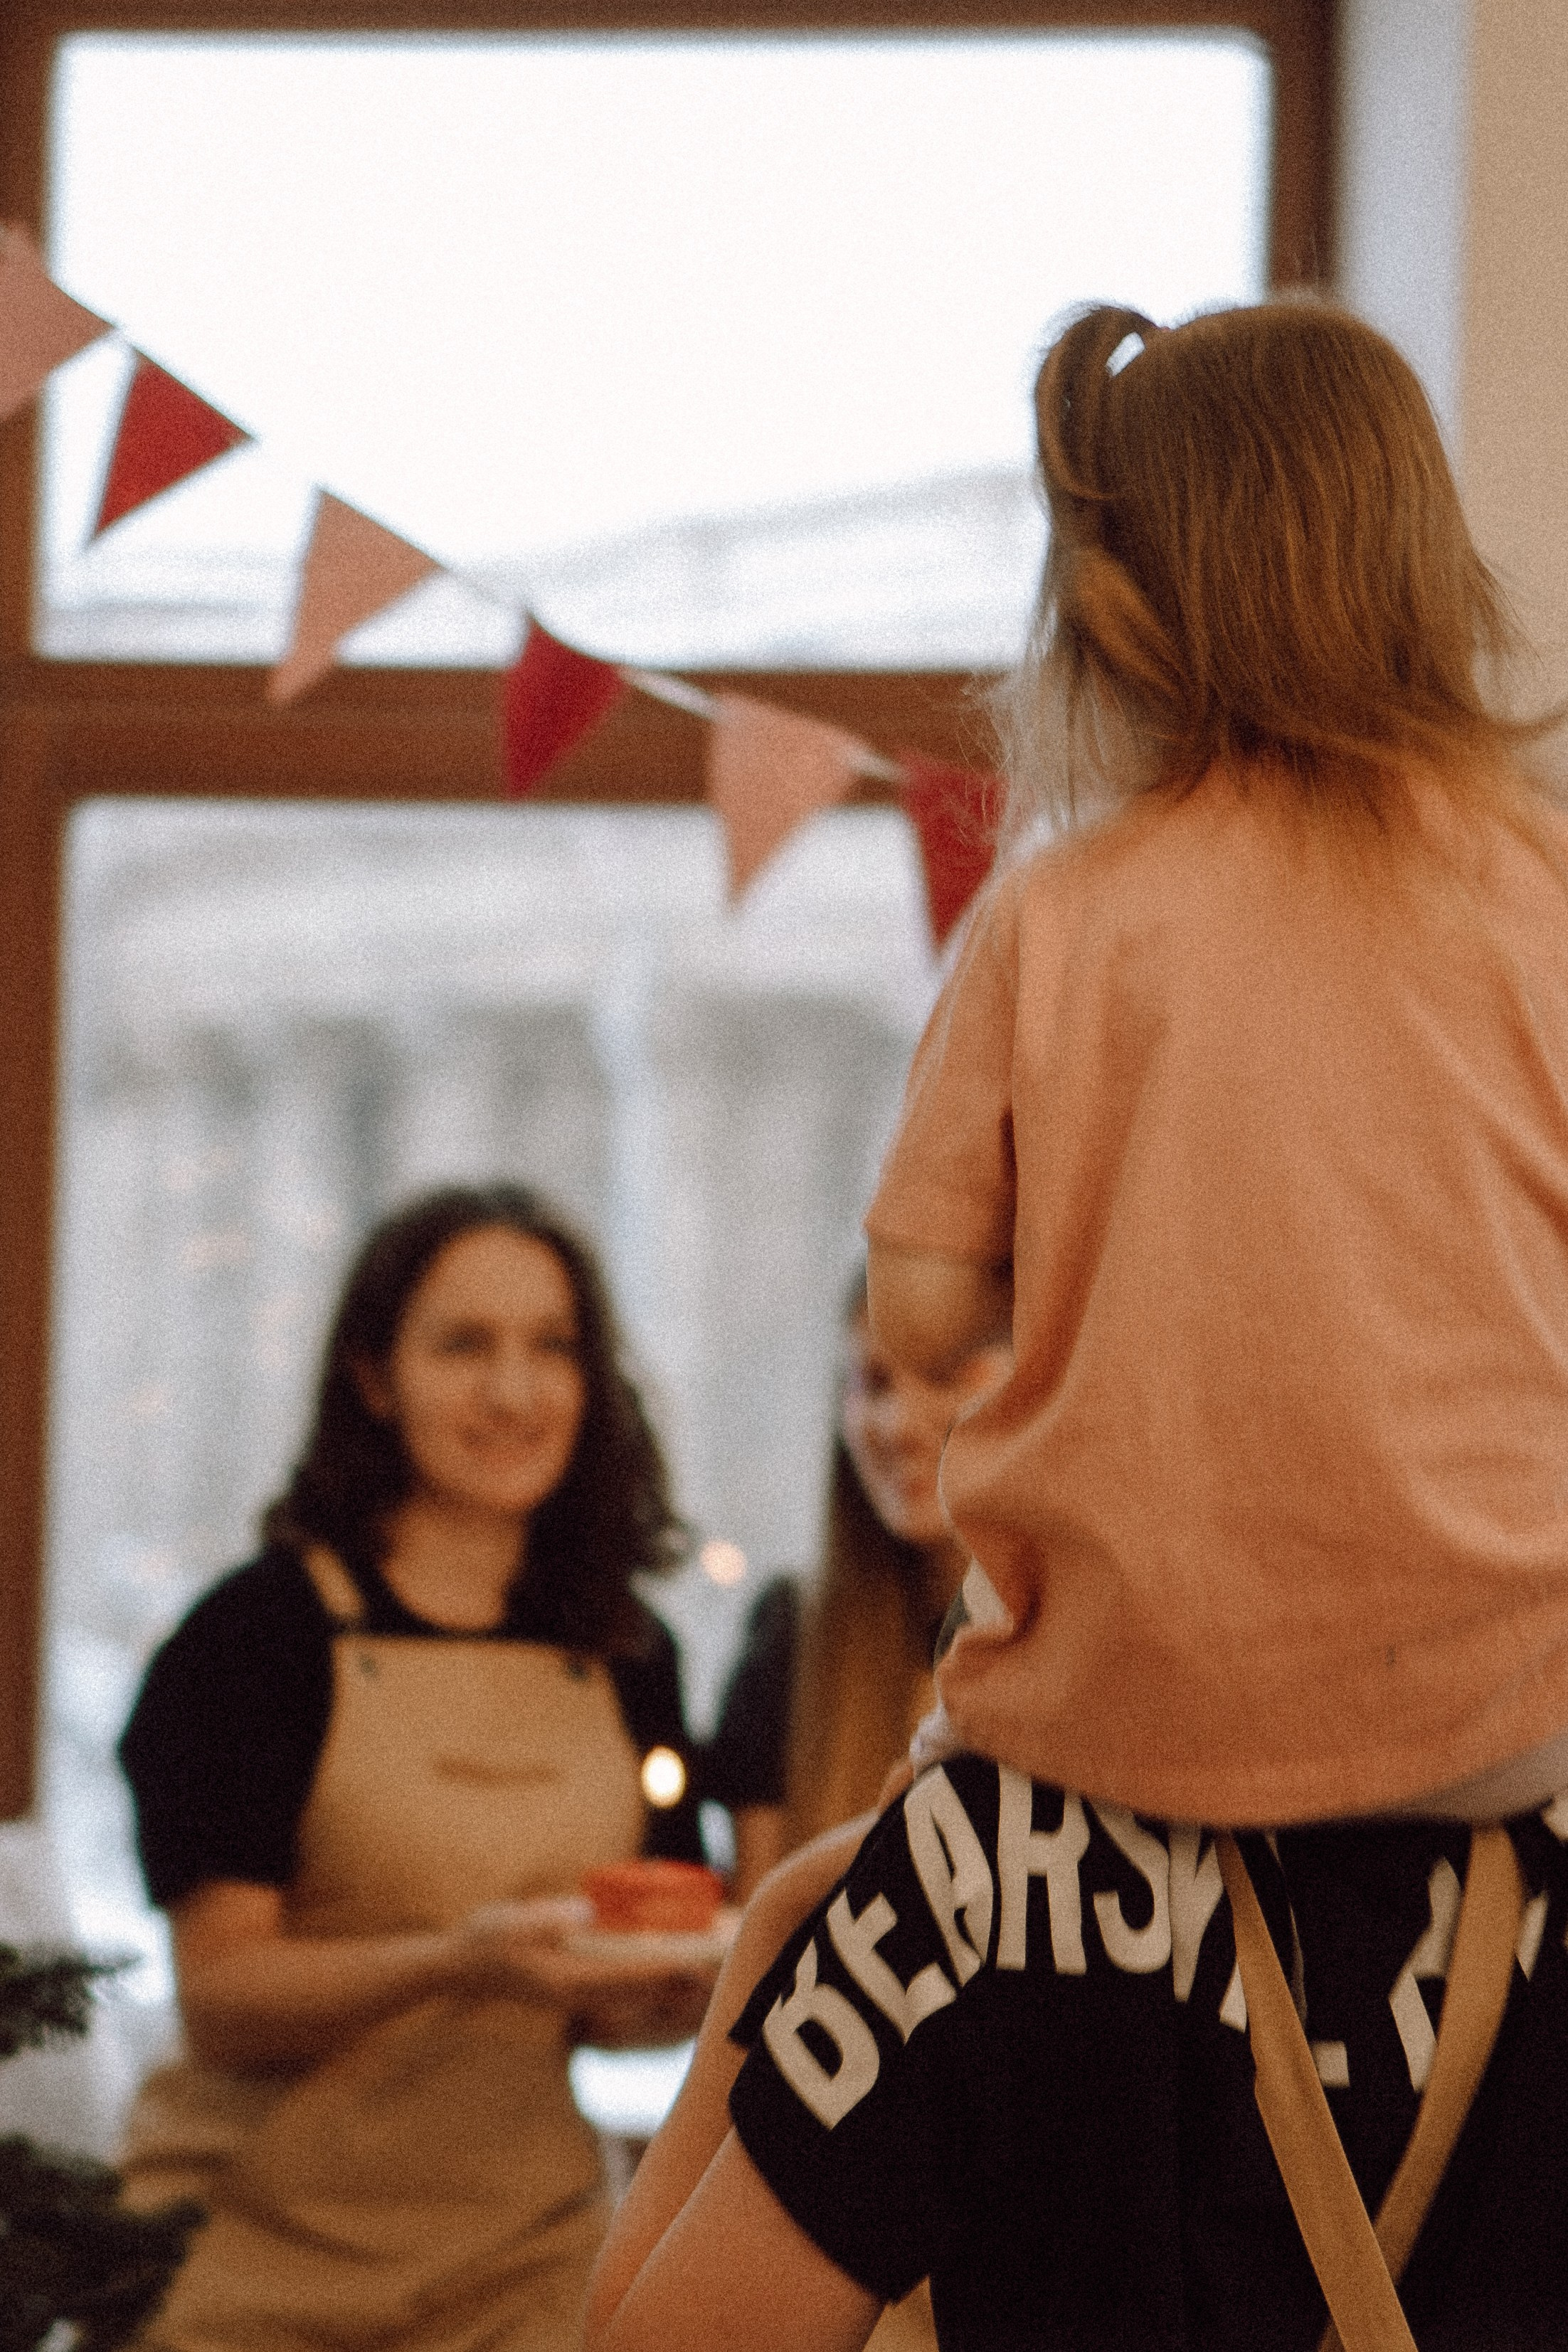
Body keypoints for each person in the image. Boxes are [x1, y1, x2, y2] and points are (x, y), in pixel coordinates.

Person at [578, 300, 1568, 2349]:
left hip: (1098, 1762)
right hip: (1506, 1737)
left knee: (778, 1974)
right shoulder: (1543, 893)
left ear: (1115, 612)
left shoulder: (1066, 910)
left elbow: (926, 1303)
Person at [116, 1182, 714, 2352]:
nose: (513, 1390)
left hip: (524, 2271)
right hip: (246, 2265)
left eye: (553, 1347)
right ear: (372, 1378)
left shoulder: (627, 1653)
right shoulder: (258, 1637)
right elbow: (222, 2000)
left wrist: (666, 1995)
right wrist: (468, 1958)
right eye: (463, 1345)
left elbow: (620, 2012)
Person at [704, 1273, 1007, 1897]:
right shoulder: (793, 1641)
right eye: (873, 1383)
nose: (896, 1424)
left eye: (944, 1377)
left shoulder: (1108, 1654)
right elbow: (762, 1963)